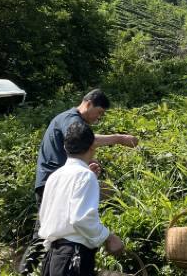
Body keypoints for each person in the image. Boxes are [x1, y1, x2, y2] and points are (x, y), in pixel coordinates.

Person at [19, 89, 138, 274]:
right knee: (40, 236)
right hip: (71, 253)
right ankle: (25, 271)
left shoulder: (66, 174)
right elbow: (80, 218)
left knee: (45, 231)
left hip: (56, 252)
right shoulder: (72, 119)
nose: (98, 118)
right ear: (88, 103)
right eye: (99, 112)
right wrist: (120, 138)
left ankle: (29, 271)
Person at [38, 122, 124, 276]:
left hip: (52, 258)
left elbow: (46, 217)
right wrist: (108, 237)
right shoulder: (85, 175)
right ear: (93, 146)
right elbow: (80, 219)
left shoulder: (54, 176)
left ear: (65, 148)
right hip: (73, 256)